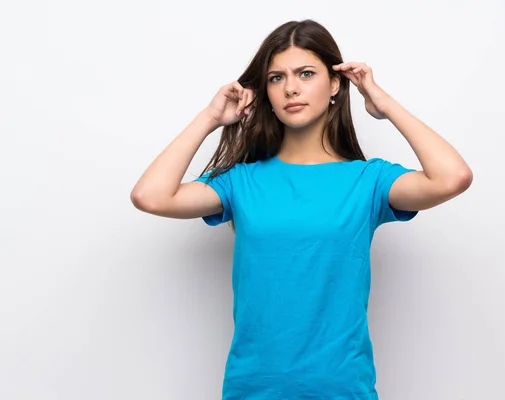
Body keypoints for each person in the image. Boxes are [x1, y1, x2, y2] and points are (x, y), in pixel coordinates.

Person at [131, 19, 472, 400]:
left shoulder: (368, 181)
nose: (290, 87)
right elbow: (151, 196)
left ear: (336, 84)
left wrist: (384, 104)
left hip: (342, 390)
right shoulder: (240, 182)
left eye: (306, 73)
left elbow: (452, 177)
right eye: (276, 78)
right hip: (253, 389)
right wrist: (210, 117)